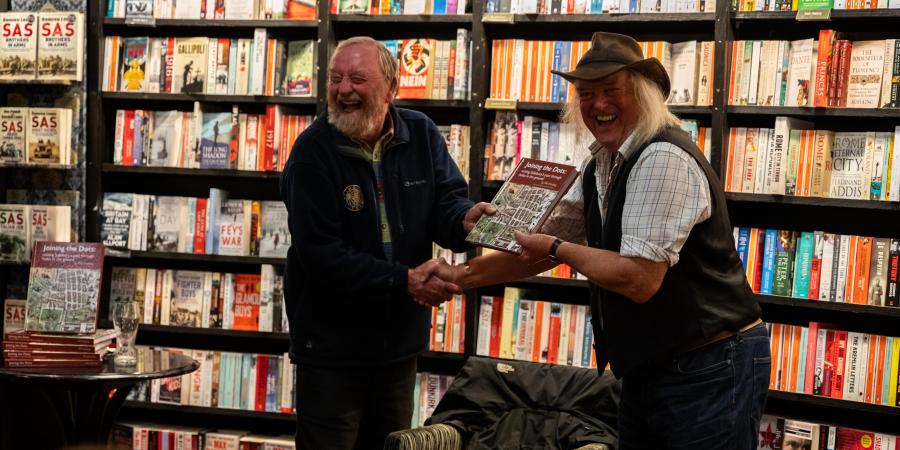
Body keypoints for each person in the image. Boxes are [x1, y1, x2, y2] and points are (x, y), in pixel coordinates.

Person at [446, 32, 770, 449]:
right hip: (651, 368)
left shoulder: (661, 157)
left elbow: (638, 278)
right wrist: (459, 277)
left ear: (642, 94)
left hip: (708, 366)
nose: (597, 105)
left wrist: (556, 249)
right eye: (586, 94)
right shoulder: (600, 162)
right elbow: (537, 243)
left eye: (610, 91)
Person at [279, 36, 492, 450]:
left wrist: (466, 220)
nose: (344, 90)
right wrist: (405, 281)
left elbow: (446, 203)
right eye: (336, 79)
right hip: (331, 351)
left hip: (399, 347)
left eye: (358, 79)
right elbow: (321, 256)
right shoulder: (311, 153)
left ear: (392, 89)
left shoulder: (422, 133)